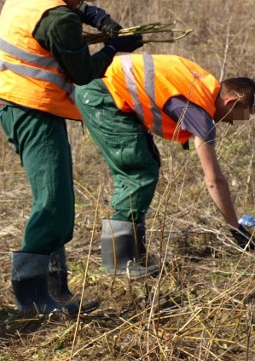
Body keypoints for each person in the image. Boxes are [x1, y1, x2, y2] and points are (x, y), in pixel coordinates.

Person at [0, 0, 144, 316]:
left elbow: (67, 4)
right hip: (31, 109)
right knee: (54, 202)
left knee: (57, 198)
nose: (86, 1)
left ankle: (57, 291)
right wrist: (114, 48)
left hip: (16, 101)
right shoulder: (58, 18)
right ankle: (31, 295)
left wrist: (98, 17)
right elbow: (83, 73)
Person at [74, 54, 255, 277]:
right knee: (138, 170)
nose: (235, 123)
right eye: (241, 115)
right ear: (231, 102)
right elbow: (214, 180)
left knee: (146, 163)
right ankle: (119, 263)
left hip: (103, 84)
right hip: (101, 92)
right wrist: (234, 228)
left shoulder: (203, 83)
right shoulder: (198, 109)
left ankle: (135, 254)